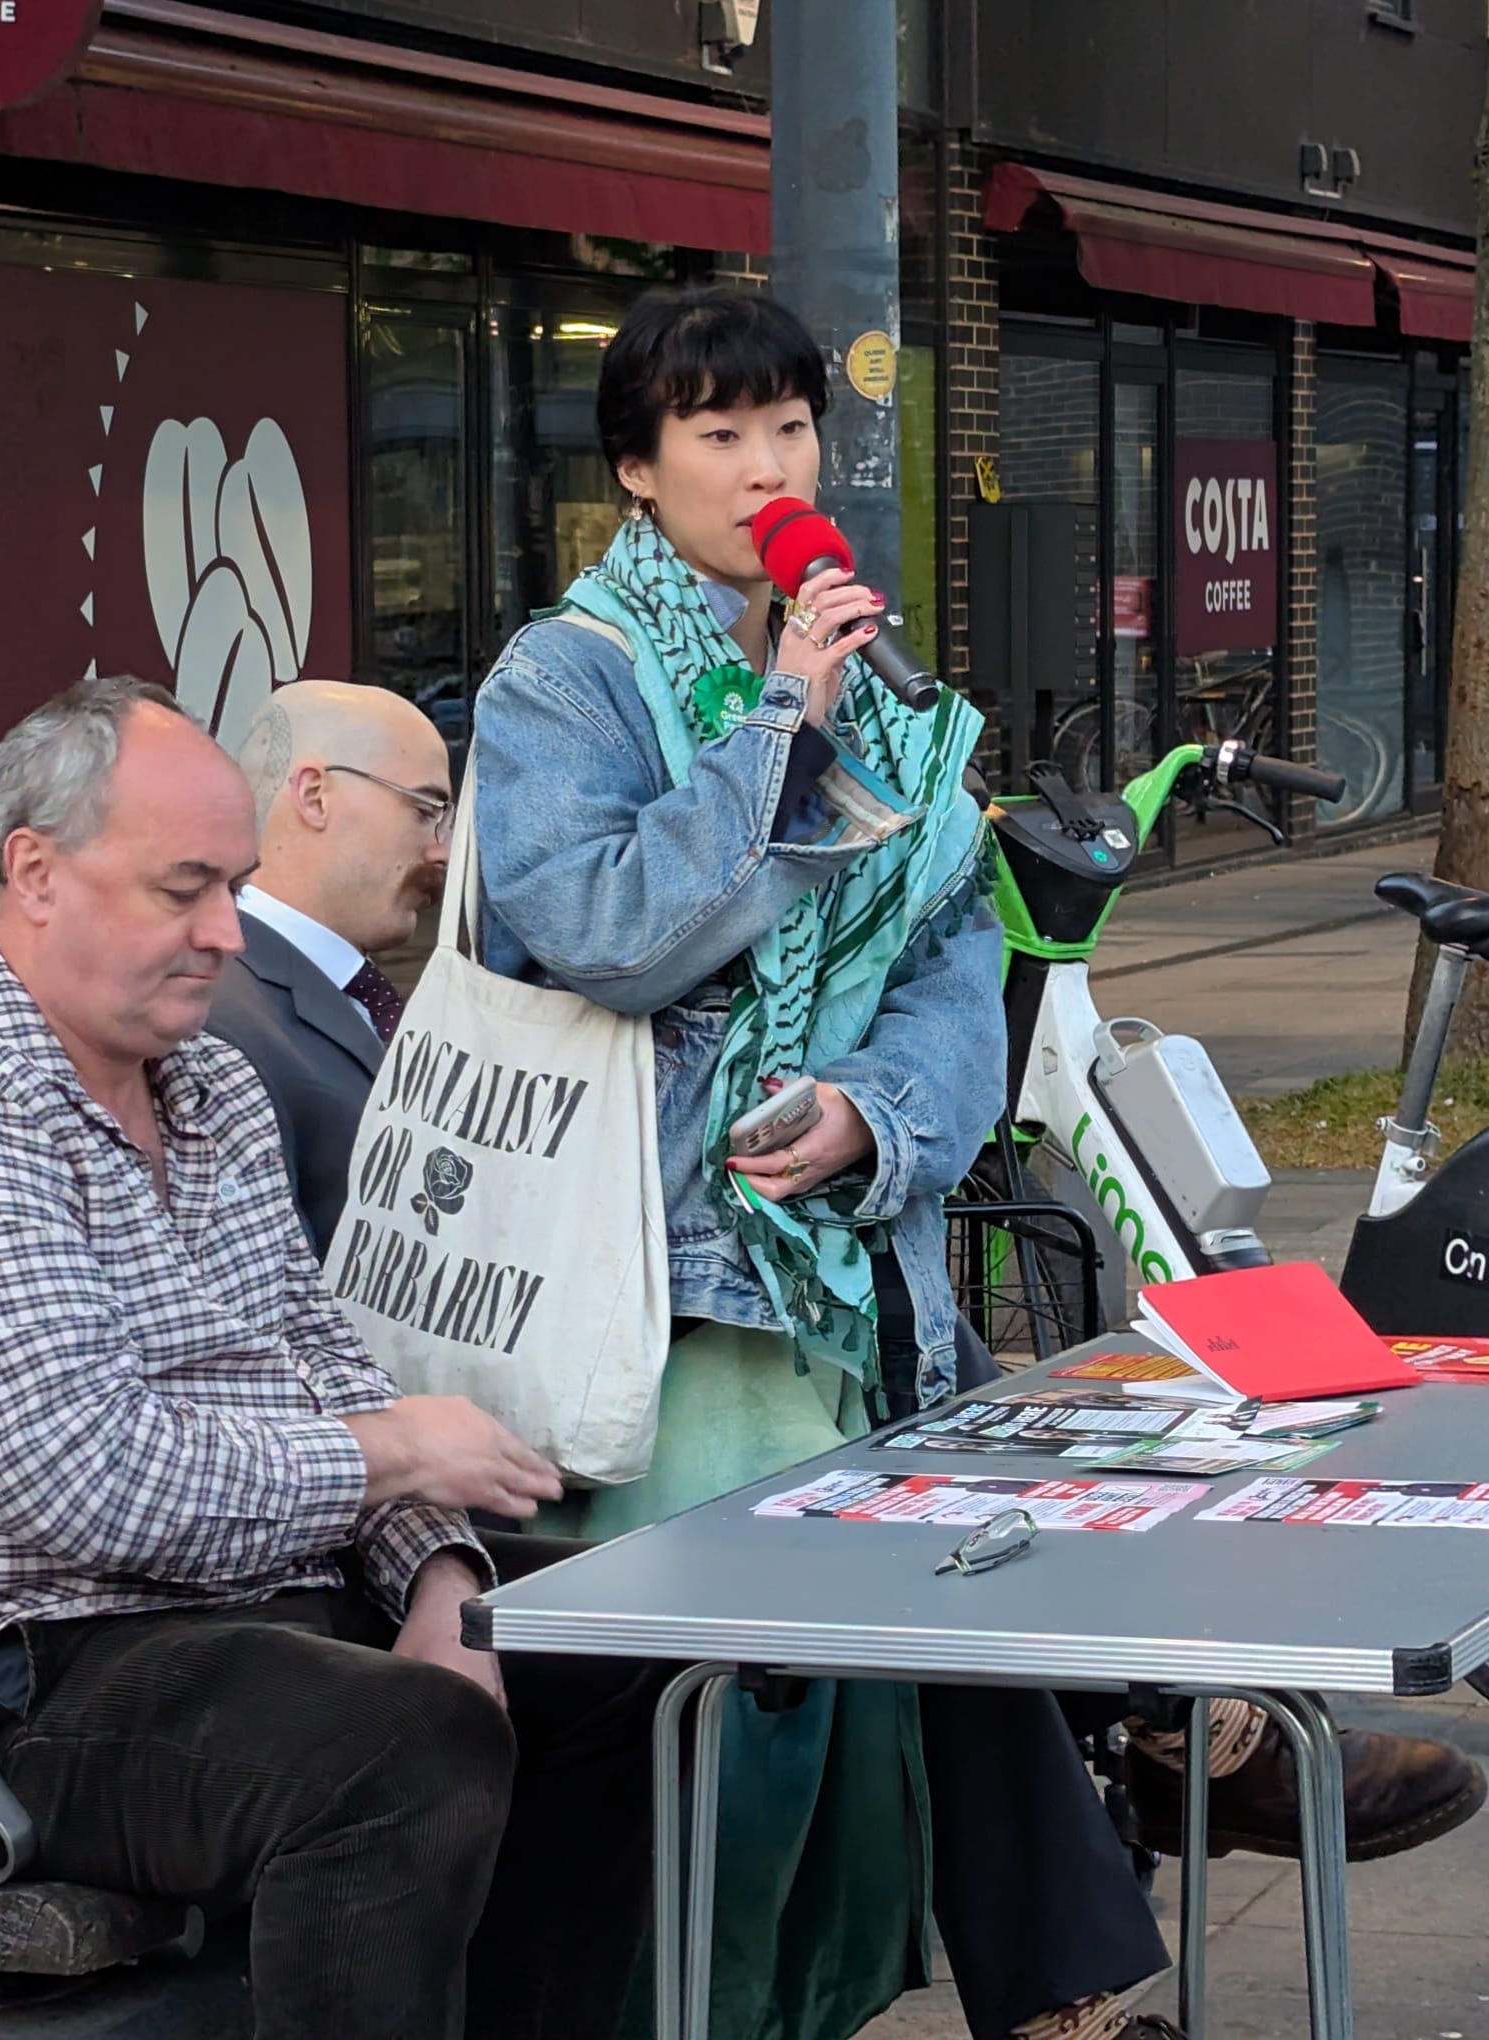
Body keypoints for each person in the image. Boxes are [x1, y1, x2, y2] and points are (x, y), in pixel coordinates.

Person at [468, 286, 1484, 2040]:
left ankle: (1132, 1862)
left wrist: (878, 1115)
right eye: (716, 434)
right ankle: (1161, 1799)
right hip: (658, 1274)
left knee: (965, 1526)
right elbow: (603, 932)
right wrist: (774, 728)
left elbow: (955, 966)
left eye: (786, 428)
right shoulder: (568, 680)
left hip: (859, 1253)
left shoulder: (877, 679)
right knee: (903, 1568)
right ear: (635, 471)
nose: (764, 464)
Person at [0, 675, 662, 2040]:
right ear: (35, 873)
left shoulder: (205, 1081)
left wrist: (444, 1577)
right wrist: (396, 1453)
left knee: (605, 1637)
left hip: (256, 1608)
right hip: (37, 1670)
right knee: (400, 1746)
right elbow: (87, 1483)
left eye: (233, 885)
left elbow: (323, 1365)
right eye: (183, 890)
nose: (226, 931)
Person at [207, 678, 451, 1258]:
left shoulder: (343, 990)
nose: (442, 850)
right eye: (424, 811)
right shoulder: (217, 1015)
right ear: (314, 795)